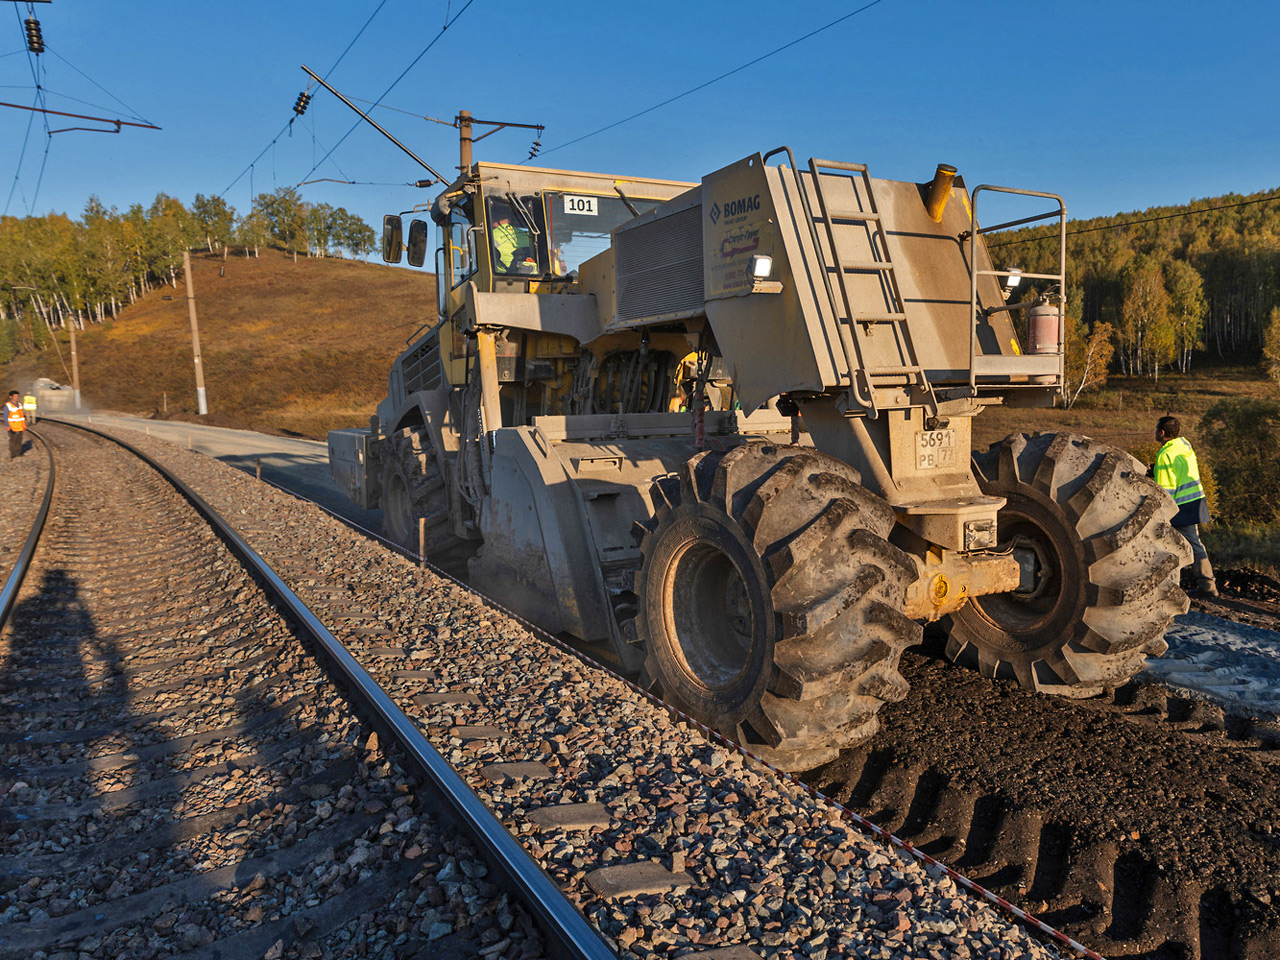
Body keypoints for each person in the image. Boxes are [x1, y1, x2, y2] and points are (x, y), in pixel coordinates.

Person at [1151, 415, 1218, 597]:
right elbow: (1178, 471)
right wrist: (1155, 469)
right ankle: (1206, 585)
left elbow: (1166, 490)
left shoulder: (1165, 454)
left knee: (1166, 544)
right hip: (1194, 501)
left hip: (1179, 507)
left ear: (1162, 433)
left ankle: (1206, 587)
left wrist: (1160, 513)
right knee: (1193, 543)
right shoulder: (1184, 445)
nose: (1155, 432)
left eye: (1156, 429)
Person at [5, 390, 26, 459]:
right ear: (11, 397)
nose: (17, 398)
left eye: (17, 396)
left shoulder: (19, 405)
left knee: (19, 441)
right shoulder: (8, 405)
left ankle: (18, 453)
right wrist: (7, 425)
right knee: (13, 441)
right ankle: (13, 454)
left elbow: (21, 416)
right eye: (15, 396)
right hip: (13, 426)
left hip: (20, 426)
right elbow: (6, 416)